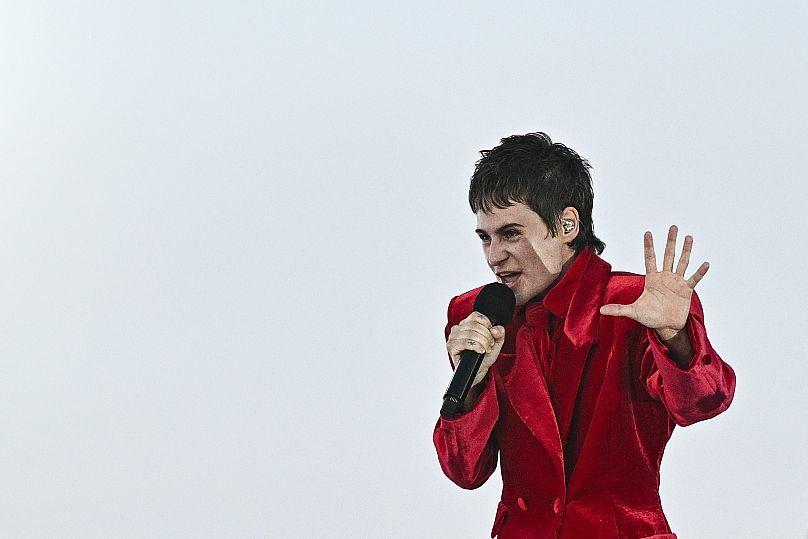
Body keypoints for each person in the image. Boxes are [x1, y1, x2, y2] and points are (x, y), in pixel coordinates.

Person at [433, 133, 736, 538]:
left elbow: (703, 403)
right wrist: (472, 384)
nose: (494, 256)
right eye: (485, 237)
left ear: (566, 224)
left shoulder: (639, 303)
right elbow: (465, 472)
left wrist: (676, 335)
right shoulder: (475, 315)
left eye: (511, 233)